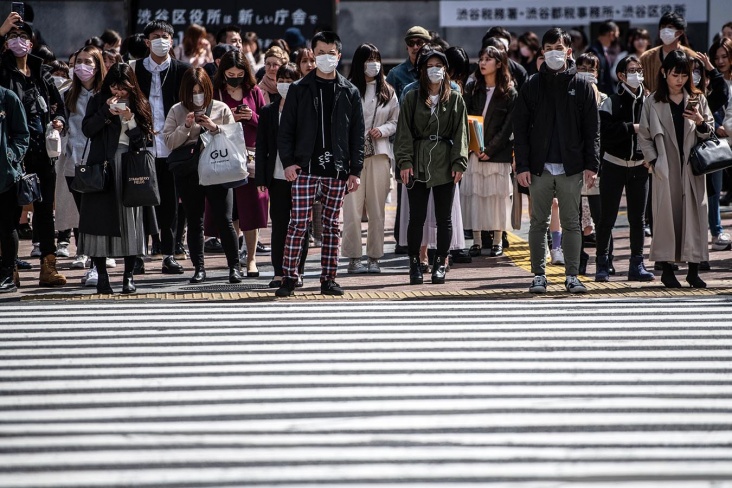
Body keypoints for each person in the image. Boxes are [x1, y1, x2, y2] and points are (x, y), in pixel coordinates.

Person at [275, 31, 365, 297]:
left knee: (331, 227)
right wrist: (289, 163)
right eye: (321, 52)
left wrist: (355, 170)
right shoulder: (299, 89)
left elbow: (357, 134)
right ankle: (289, 278)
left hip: (337, 171)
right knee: (298, 225)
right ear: (313, 54)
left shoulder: (349, 91)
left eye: (331, 53)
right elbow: (286, 131)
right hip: (304, 170)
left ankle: (329, 278)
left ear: (339, 55)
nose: (326, 57)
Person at [513, 27, 600, 294]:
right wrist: (523, 165)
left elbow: (592, 130)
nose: (554, 53)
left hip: (571, 167)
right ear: (542, 52)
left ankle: (572, 275)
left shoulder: (582, 86)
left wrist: (591, 164)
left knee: (572, 222)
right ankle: (539, 275)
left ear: (569, 52)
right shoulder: (531, 85)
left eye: (559, 49)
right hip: (538, 167)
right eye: (549, 49)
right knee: (538, 223)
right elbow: (521, 129)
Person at [0, 18, 67, 287]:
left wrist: (59, 121)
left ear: (32, 42)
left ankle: (48, 267)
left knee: (43, 210)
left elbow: (58, 104)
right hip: (12, 155)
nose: (18, 40)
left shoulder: (42, 71)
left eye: (22, 36)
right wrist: (1, 30)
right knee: (9, 213)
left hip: (41, 151)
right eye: (12, 36)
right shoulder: (2, 70)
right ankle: (9, 269)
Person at [638, 49, 714, 288]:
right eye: (675, 74)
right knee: (666, 217)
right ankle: (667, 269)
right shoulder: (653, 101)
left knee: (694, 217)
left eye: (684, 74)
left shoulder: (698, 98)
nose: (680, 79)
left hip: (692, 168)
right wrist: (654, 162)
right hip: (666, 167)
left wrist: (700, 121)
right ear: (664, 73)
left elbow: (709, 131)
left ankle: (693, 269)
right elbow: (644, 135)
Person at [394, 49, 468, 286]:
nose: (435, 69)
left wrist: (459, 162)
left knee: (444, 218)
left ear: (445, 69)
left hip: (445, 163)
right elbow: (403, 132)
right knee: (416, 217)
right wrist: (404, 162)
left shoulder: (455, 98)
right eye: (430, 65)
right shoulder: (412, 96)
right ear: (422, 69)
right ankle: (415, 262)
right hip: (417, 161)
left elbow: (461, 134)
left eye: (439, 65)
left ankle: (441, 263)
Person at [78, 63, 153, 294]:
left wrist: (130, 119)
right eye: (113, 86)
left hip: (130, 167)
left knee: (130, 220)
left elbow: (144, 140)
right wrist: (106, 113)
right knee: (98, 222)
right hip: (101, 165)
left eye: (123, 88)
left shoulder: (140, 103)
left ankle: (128, 275)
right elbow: (87, 130)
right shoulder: (98, 101)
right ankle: (101, 275)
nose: (117, 92)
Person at [163, 67, 241, 284]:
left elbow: (234, 138)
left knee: (224, 219)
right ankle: (199, 268)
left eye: (200, 90)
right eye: (192, 91)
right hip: (189, 172)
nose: (196, 95)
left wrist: (214, 127)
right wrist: (186, 126)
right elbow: (168, 141)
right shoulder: (177, 110)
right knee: (194, 220)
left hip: (219, 168)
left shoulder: (221, 108)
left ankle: (234, 267)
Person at [133, 20, 191, 275]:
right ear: (146, 42)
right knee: (139, 201)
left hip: (172, 146)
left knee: (170, 202)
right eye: (155, 36)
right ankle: (137, 254)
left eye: (165, 36)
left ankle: (170, 252)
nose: (161, 40)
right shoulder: (134, 69)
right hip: (141, 146)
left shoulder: (182, 70)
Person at [595, 55, 654, 282]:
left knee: (638, 219)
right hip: (614, 164)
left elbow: (657, 132)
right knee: (607, 218)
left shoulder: (649, 100)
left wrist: (651, 157)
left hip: (640, 166)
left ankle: (636, 264)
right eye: (632, 70)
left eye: (639, 70)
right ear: (621, 76)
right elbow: (605, 132)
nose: (637, 74)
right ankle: (602, 263)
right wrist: (632, 128)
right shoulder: (611, 100)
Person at [342, 43, 399, 274]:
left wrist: (383, 130)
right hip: (350, 157)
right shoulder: (346, 88)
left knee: (377, 210)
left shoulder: (388, 90)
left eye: (376, 59)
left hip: (380, 153)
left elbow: (396, 121)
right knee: (351, 210)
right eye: (368, 59)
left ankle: (374, 257)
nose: (373, 64)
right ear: (359, 63)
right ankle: (354, 257)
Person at [212, 50, 268, 278]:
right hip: (224, 156)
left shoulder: (254, 91)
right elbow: (207, 121)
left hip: (250, 157)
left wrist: (250, 117)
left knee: (251, 210)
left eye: (239, 73)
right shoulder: (216, 92)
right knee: (230, 212)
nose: (234, 77)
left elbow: (266, 121)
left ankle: (251, 258)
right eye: (230, 73)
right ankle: (233, 260)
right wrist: (229, 118)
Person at [254, 63, 309, 288]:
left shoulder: (305, 110)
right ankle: (278, 271)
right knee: (279, 225)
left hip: (300, 177)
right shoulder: (268, 111)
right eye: (281, 80)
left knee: (300, 225)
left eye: (289, 80)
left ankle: (298, 270)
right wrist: (260, 178)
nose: (285, 84)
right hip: (276, 177)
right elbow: (261, 147)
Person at [462, 45, 517, 258]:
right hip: (474, 152)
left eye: (488, 59)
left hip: (498, 154)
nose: (482, 63)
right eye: (481, 58)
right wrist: (475, 146)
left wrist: (490, 148)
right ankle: (476, 241)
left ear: (499, 63)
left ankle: (496, 240)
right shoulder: (473, 88)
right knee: (475, 196)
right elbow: (465, 117)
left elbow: (508, 127)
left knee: (497, 197)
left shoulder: (509, 92)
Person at [59, 45, 107, 286]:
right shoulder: (67, 93)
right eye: (79, 62)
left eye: (89, 62)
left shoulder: (106, 95)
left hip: (99, 163)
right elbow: (61, 121)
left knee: (95, 217)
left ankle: (99, 266)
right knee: (83, 218)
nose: (82, 67)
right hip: (74, 164)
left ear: (98, 65)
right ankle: (90, 260)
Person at [0, 86, 29, 293]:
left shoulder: (7, 97)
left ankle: (8, 272)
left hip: (5, 176)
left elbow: (22, 134)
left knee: (6, 226)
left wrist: (10, 156)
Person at [640, 12, 696, 93]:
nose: (665, 30)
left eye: (670, 27)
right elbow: (640, 82)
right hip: (653, 103)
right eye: (662, 27)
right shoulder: (646, 57)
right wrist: (645, 91)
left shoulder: (692, 57)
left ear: (680, 32)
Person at [586, 20, 620, 96]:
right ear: (611, 34)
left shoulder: (603, 50)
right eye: (617, 35)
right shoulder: (593, 51)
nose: (617, 38)